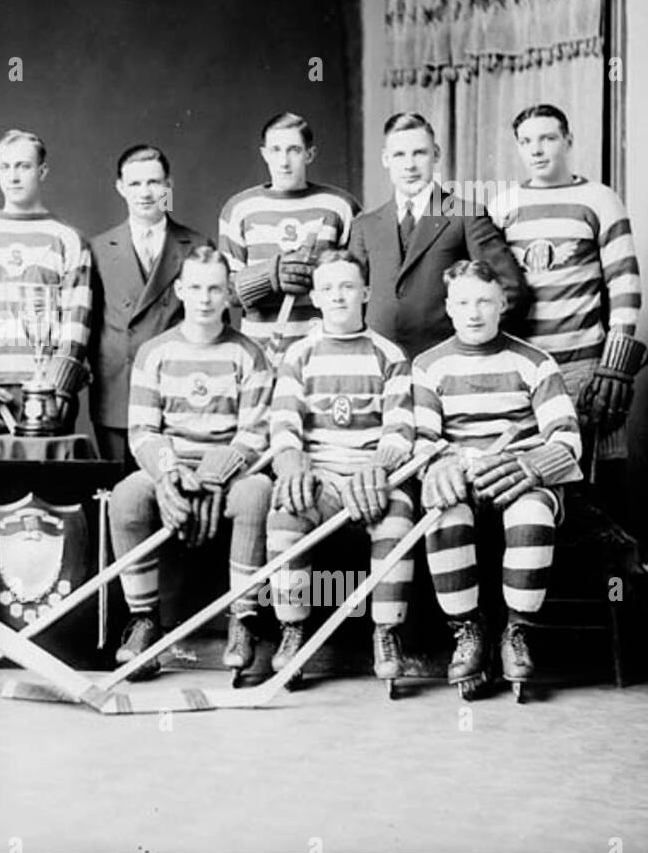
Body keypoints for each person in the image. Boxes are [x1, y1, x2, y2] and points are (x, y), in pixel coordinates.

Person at [414, 259, 583, 699]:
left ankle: (517, 632)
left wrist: (530, 467)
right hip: (463, 480)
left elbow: (566, 438)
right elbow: (424, 440)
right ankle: (467, 630)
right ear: (449, 308)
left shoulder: (535, 362)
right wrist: (439, 465)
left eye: (485, 301)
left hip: (519, 477)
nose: (474, 312)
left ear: (502, 304)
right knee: (441, 513)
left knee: (531, 513)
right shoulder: (429, 366)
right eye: (464, 302)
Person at [107, 246, 274, 681]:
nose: (204, 298)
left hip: (229, 471)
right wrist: (169, 475)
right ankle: (144, 621)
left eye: (215, 289)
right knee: (126, 497)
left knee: (257, 494)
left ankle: (243, 619)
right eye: (196, 287)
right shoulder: (154, 352)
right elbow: (142, 430)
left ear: (228, 295)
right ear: (180, 290)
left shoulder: (249, 354)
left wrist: (212, 477)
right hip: (171, 465)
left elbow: (255, 434)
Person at [261, 250, 417, 689]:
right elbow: (285, 423)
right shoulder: (300, 353)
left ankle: (386, 632)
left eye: (348, 286)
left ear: (365, 292)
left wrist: (379, 468)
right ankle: (292, 631)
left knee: (399, 517)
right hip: (321, 477)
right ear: (315, 296)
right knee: (285, 512)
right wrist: (292, 464)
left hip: (374, 477)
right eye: (328, 288)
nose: (339, 296)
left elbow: (400, 431)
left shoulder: (389, 354)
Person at [489, 103, 647, 477]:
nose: (537, 149)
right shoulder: (502, 204)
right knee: (536, 472)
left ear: (568, 141)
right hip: (526, 363)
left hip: (586, 363)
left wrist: (613, 366)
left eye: (548, 138)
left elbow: (624, 283)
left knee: (598, 471)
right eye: (527, 141)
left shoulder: (599, 199)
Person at [0, 129, 93, 452]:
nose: (13, 175)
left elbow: (76, 321)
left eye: (23, 166)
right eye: (5, 166)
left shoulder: (67, 238)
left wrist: (59, 385)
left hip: (47, 389)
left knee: (48, 493)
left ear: (42, 171)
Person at [347, 111, 527, 362]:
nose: (409, 165)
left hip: (448, 365)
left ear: (436, 155)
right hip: (380, 366)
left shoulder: (466, 215)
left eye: (419, 153)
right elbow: (351, 298)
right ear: (386, 159)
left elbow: (510, 289)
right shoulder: (364, 226)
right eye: (399, 155)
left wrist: (474, 346)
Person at [89, 144, 208, 466]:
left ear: (168, 185)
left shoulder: (196, 245)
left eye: (154, 183)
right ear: (120, 188)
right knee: (119, 494)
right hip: (118, 392)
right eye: (135, 184)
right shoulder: (98, 248)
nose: (145, 192)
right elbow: (89, 323)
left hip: (178, 389)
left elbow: (212, 328)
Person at [218, 111, 360, 365]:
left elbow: (360, 284)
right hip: (262, 355)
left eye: (294, 150)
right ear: (264, 154)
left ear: (310, 154)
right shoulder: (239, 209)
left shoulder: (340, 206)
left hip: (325, 352)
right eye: (275, 150)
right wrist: (268, 276)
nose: (284, 161)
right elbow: (225, 292)